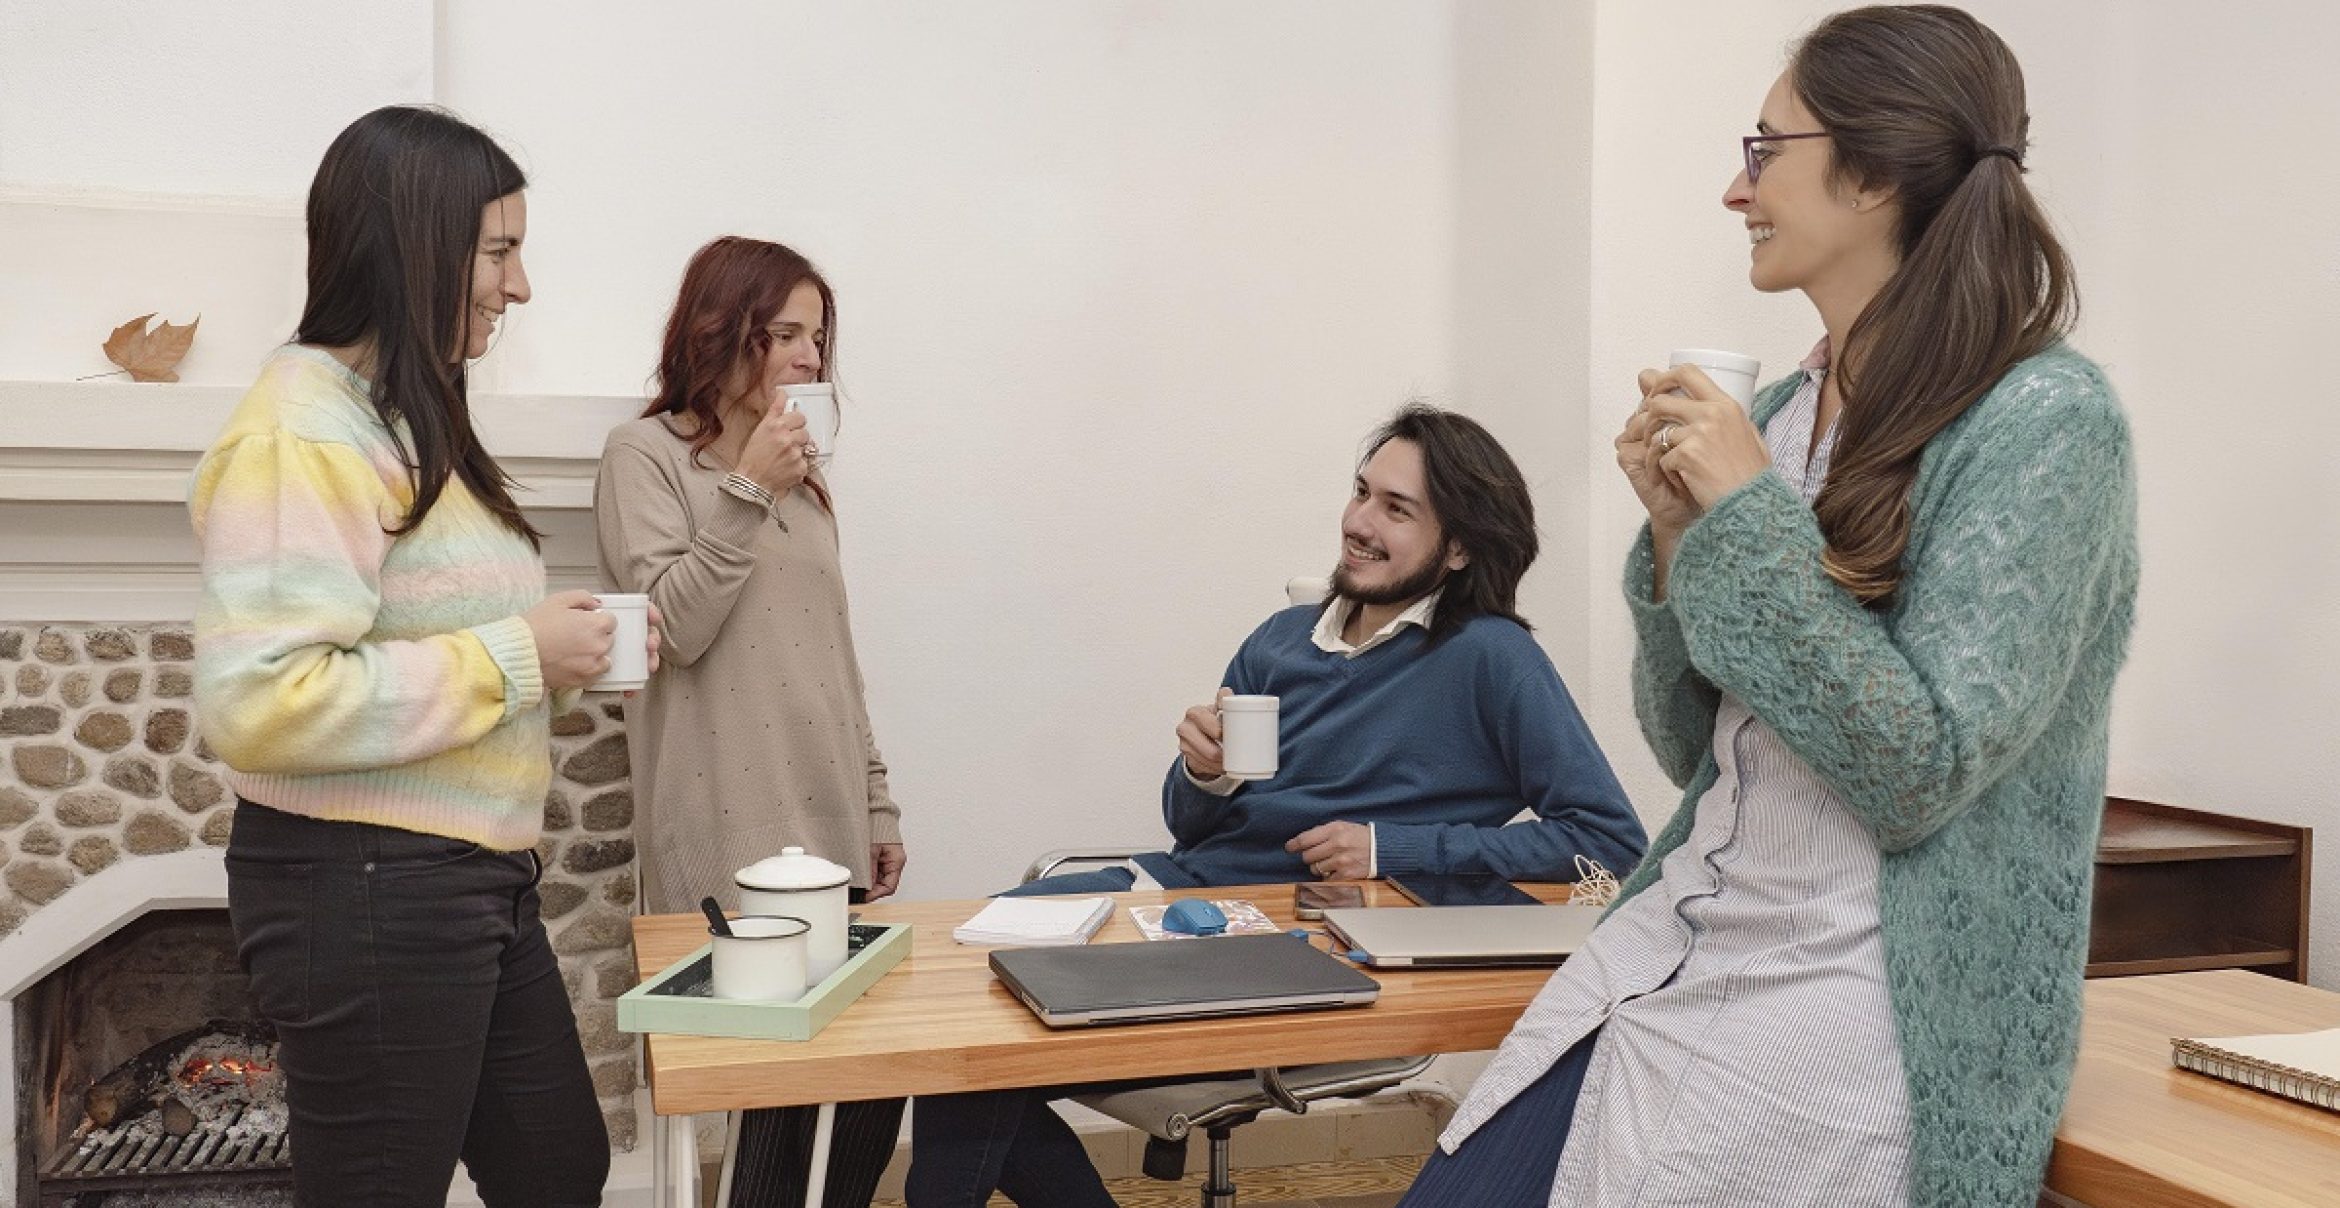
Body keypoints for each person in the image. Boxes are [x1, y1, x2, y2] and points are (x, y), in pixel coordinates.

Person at [1401, 8, 2139, 1207]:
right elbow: (1702, 750)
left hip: (1861, 996)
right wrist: (1685, 541)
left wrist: (1741, 520)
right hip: (1684, 932)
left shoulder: (2046, 423)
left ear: (1874, 173)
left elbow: (1913, 769)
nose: (1732, 189)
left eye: (1763, 149)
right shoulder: (1789, 413)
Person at [906, 404, 1649, 1207]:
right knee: (953, 992)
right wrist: (1204, 773)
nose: (1360, 524)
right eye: (1362, 493)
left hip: (1297, 935)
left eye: (1397, 510)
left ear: (1461, 546)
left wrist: (1392, 847)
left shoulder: (1491, 658)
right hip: (1183, 895)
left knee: (970, 1055)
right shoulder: (1282, 638)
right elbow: (1191, 829)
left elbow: (1608, 840)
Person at [192, 106, 643, 1206]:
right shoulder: (304, 427)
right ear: (415, 243)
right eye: (499, 250)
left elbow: (423, 639)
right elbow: (260, 702)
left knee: (556, 1164)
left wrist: (553, 653)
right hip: (366, 882)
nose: (519, 284)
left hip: (460, 878)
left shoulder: (399, 413)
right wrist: (520, 653)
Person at [594, 235, 906, 1207]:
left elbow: (836, 665)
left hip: (829, 836)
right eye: (787, 334)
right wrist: (749, 486)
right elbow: (672, 628)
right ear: (722, 330)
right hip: (726, 836)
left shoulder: (810, 490)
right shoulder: (642, 457)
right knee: (776, 1110)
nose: (812, 359)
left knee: (866, 1091)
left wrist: (879, 804)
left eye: (819, 338)